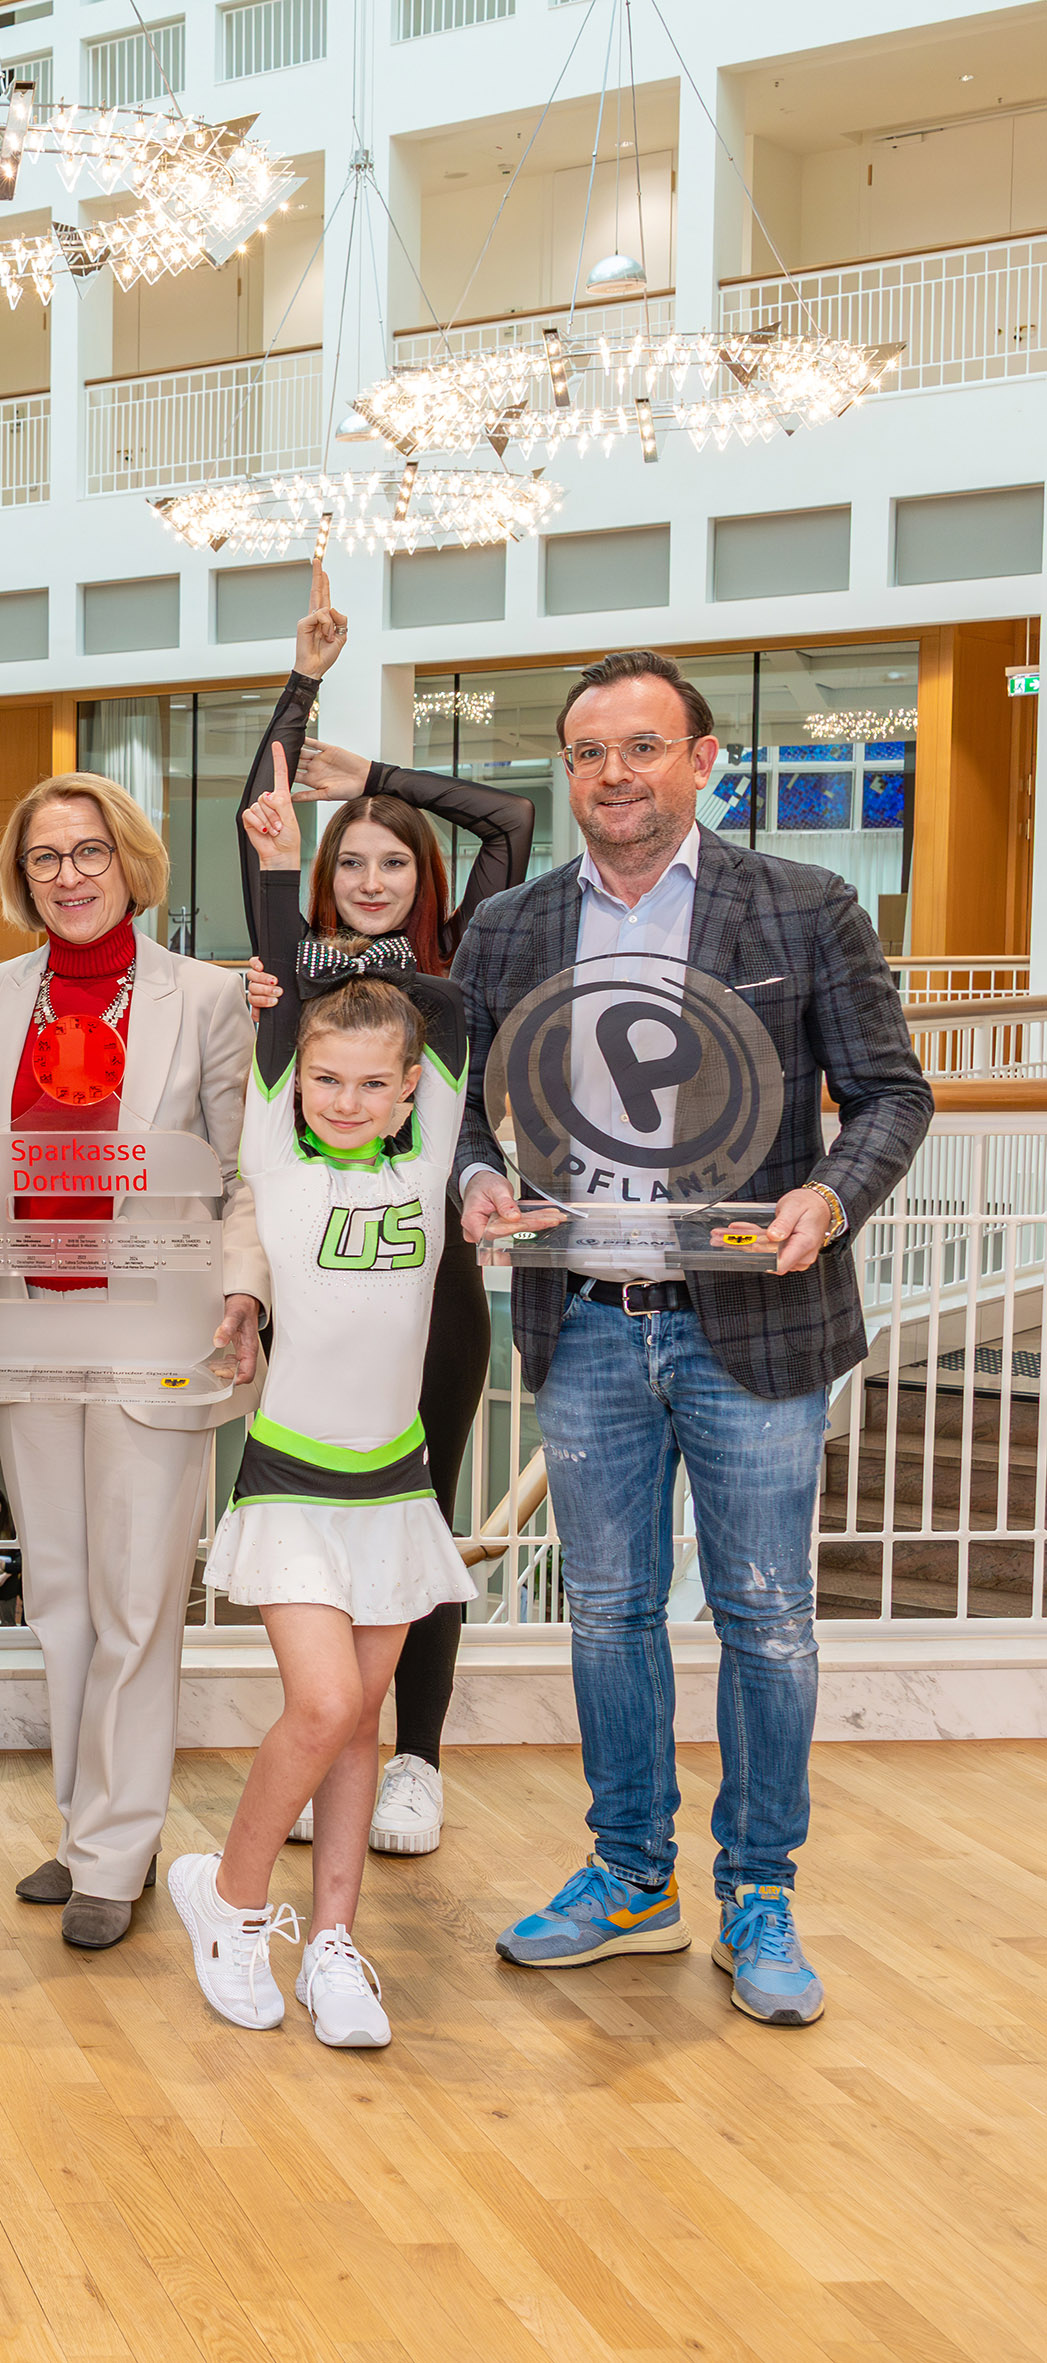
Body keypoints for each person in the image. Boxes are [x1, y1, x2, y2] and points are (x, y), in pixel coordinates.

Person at [462, 650, 930, 2028]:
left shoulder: (802, 903)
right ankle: (627, 1874)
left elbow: (890, 1094)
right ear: (566, 771)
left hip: (756, 1321)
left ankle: (757, 1890)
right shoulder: (507, 926)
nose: (614, 773)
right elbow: (457, 1111)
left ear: (700, 757)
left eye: (642, 746)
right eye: (589, 751)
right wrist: (470, 1184)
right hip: (585, 1317)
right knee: (603, 1611)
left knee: (765, 1618)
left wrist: (829, 1194)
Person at [164, 759, 476, 2051]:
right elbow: (290, 998)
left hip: (392, 1487)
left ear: (412, 1090)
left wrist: (381, 985)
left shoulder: (430, 1141)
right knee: (322, 1705)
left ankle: (333, 1937)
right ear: (295, 1081)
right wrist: (281, 870)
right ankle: (230, 1895)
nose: (344, 1098)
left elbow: (445, 1002)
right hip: (291, 1477)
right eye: (325, 1077)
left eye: (371, 1083)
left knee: (360, 1724)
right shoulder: (277, 1149)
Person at [0, 774, 266, 1953]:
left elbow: (238, 1166)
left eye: (88, 852)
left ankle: (119, 1848)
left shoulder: (209, 997)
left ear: (131, 860)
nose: (68, 875)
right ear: (23, 881)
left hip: (157, 1332)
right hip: (26, 1325)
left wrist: (245, 1283)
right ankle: (86, 1825)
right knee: (64, 1595)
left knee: (136, 1599)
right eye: (44, 859)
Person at [236, 561, 535, 1861]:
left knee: (411, 1518)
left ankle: (412, 1754)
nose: (362, 874)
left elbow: (511, 818)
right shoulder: (297, 981)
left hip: (432, 1280)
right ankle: (329, 1744)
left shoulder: (456, 966)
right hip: (317, 1283)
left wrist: (374, 779)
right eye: (343, 859)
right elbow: (261, 813)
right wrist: (297, 681)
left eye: (381, 858)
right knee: (325, 1519)